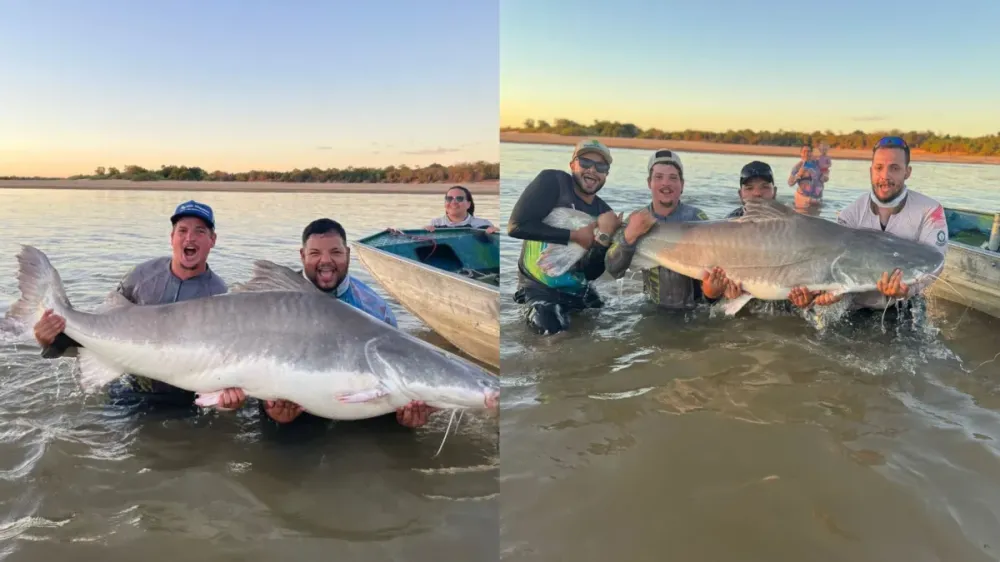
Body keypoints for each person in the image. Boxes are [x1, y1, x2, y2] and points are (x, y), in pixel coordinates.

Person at [31, 200, 239, 409]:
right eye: (182, 230)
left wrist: (226, 406)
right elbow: (97, 333)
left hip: (184, 402)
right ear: (172, 237)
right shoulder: (141, 277)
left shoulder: (220, 295)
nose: (189, 238)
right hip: (131, 391)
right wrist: (50, 340)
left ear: (213, 240)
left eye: (200, 232)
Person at [258, 218, 434, 429]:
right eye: (315, 253)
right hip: (295, 400)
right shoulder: (274, 301)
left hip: (360, 400)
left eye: (336, 252)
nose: (325, 260)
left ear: (348, 254)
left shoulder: (375, 309)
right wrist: (272, 414)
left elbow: (394, 371)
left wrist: (404, 419)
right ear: (302, 256)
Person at [788, 136, 949, 311]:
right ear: (871, 170)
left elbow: (934, 262)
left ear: (907, 172)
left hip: (906, 306)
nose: (885, 176)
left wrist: (907, 290)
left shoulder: (931, 210)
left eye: (894, 168)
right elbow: (833, 264)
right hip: (857, 308)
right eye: (879, 168)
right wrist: (821, 295)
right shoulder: (850, 214)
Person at [507, 139, 621, 335]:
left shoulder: (604, 213)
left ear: (606, 174)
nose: (592, 170)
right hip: (538, 290)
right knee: (552, 334)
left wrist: (602, 239)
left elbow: (590, 273)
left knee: (613, 327)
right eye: (585, 162)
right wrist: (574, 235)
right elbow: (516, 226)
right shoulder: (553, 182)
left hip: (579, 293)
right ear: (572, 165)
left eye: (600, 166)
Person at [605, 149, 739, 309]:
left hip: (693, 312)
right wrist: (629, 236)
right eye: (659, 177)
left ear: (682, 184)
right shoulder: (636, 220)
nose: (665, 183)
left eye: (673, 178)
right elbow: (613, 270)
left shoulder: (698, 218)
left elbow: (718, 267)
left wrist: (717, 292)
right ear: (649, 183)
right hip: (652, 310)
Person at [425, 185, 498, 234]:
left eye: (459, 198)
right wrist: (423, 233)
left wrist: (496, 233)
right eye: (449, 198)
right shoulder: (435, 224)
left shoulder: (483, 224)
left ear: (468, 204)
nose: (453, 202)